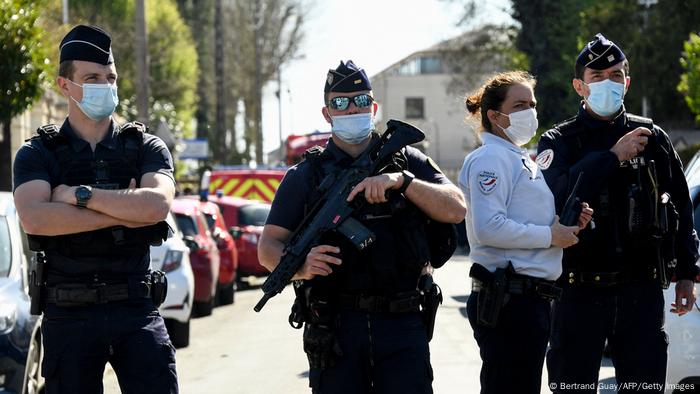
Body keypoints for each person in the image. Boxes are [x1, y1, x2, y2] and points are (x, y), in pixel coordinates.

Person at [258, 60, 466, 394]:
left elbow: (456, 208)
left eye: (361, 100)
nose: (352, 107)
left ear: (374, 106)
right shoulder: (304, 177)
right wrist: (301, 266)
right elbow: (268, 248)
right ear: (327, 113)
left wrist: (402, 182)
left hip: (403, 320)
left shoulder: (405, 159)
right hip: (337, 325)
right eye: (340, 102)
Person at [13, 25, 178, 394]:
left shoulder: (146, 147)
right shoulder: (37, 154)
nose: (105, 86)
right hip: (69, 312)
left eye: (110, 77)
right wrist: (124, 208)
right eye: (92, 78)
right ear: (64, 85)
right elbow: (35, 218)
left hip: (135, 308)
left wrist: (77, 195)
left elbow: (155, 206)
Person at [537, 33, 699, 394]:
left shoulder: (652, 135)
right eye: (598, 77)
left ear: (627, 82)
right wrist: (612, 157)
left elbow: (682, 205)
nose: (608, 83)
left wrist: (687, 272)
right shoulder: (559, 140)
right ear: (580, 86)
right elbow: (557, 194)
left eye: (616, 75)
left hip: (639, 291)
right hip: (578, 292)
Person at [458, 71, 592, 394]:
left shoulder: (519, 158)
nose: (530, 112)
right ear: (494, 115)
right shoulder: (490, 158)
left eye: (532, 104)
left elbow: (525, 216)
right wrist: (550, 236)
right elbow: (490, 227)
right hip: (509, 301)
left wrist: (565, 224)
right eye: (519, 105)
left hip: (528, 300)